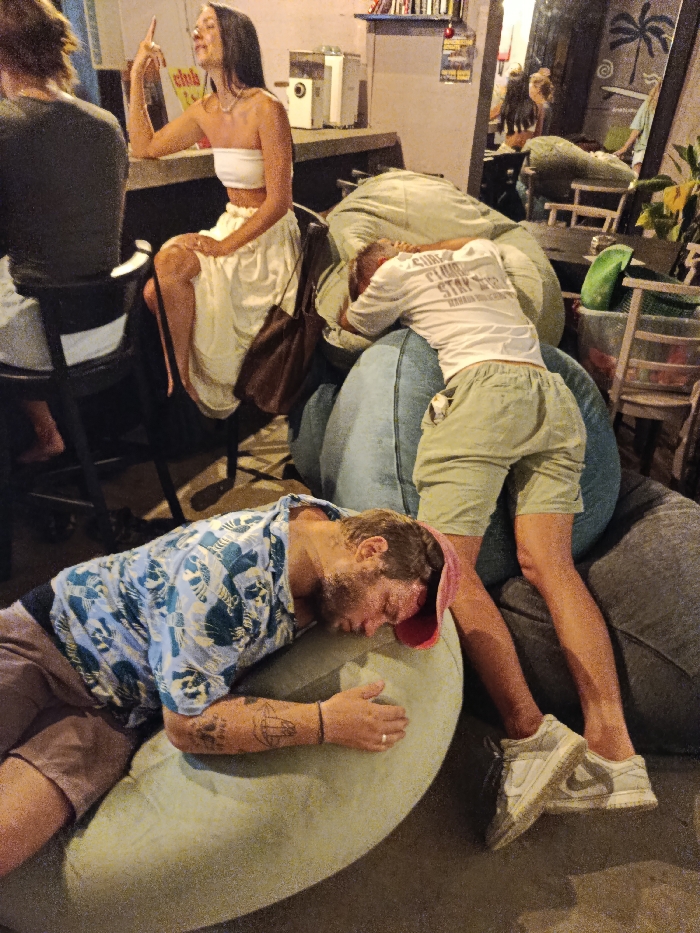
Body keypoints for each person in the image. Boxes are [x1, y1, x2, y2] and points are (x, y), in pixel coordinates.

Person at [340, 236, 657, 850]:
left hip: (482, 395)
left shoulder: (391, 273)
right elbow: (482, 240)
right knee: (553, 566)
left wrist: (367, 283)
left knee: (447, 567)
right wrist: (428, 245)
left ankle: (529, 733)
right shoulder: (480, 253)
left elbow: (352, 325)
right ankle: (616, 751)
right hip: (551, 397)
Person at [0, 492, 458, 877]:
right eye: (384, 608)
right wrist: (324, 723)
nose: (371, 630)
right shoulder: (227, 572)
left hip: (119, 715)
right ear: (371, 550)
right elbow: (186, 726)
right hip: (49, 640)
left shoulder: (330, 533)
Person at [130, 5, 299, 419]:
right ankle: (184, 383)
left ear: (234, 39)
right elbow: (145, 147)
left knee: (160, 284)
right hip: (231, 225)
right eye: (196, 27)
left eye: (208, 26)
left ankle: (185, 389)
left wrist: (224, 246)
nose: (197, 34)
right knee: (160, 281)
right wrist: (136, 77)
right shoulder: (205, 109)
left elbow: (279, 202)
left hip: (266, 240)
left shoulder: (267, 108)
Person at [0, 0, 128, 462]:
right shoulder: (108, 125)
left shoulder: (7, 126)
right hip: (109, 329)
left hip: (47, 341)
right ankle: (48, 430)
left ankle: (38, 439)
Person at [614, 81, 661, 176]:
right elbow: (637, 129)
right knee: (637, 175)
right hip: (643, 149)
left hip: (658, 150)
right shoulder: (648, 105)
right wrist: (624, 148)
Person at [497, 70, 538, 150]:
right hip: (525, 151)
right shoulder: (534, 106)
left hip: (509, 150)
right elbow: (536, 134)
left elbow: (488, 116)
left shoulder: (508, 105)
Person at [529, 69, 554, 137]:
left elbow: (537, 132)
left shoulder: (543, 107)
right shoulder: (542, 105)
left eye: (532, 87)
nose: (529, 90)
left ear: (538, 90)